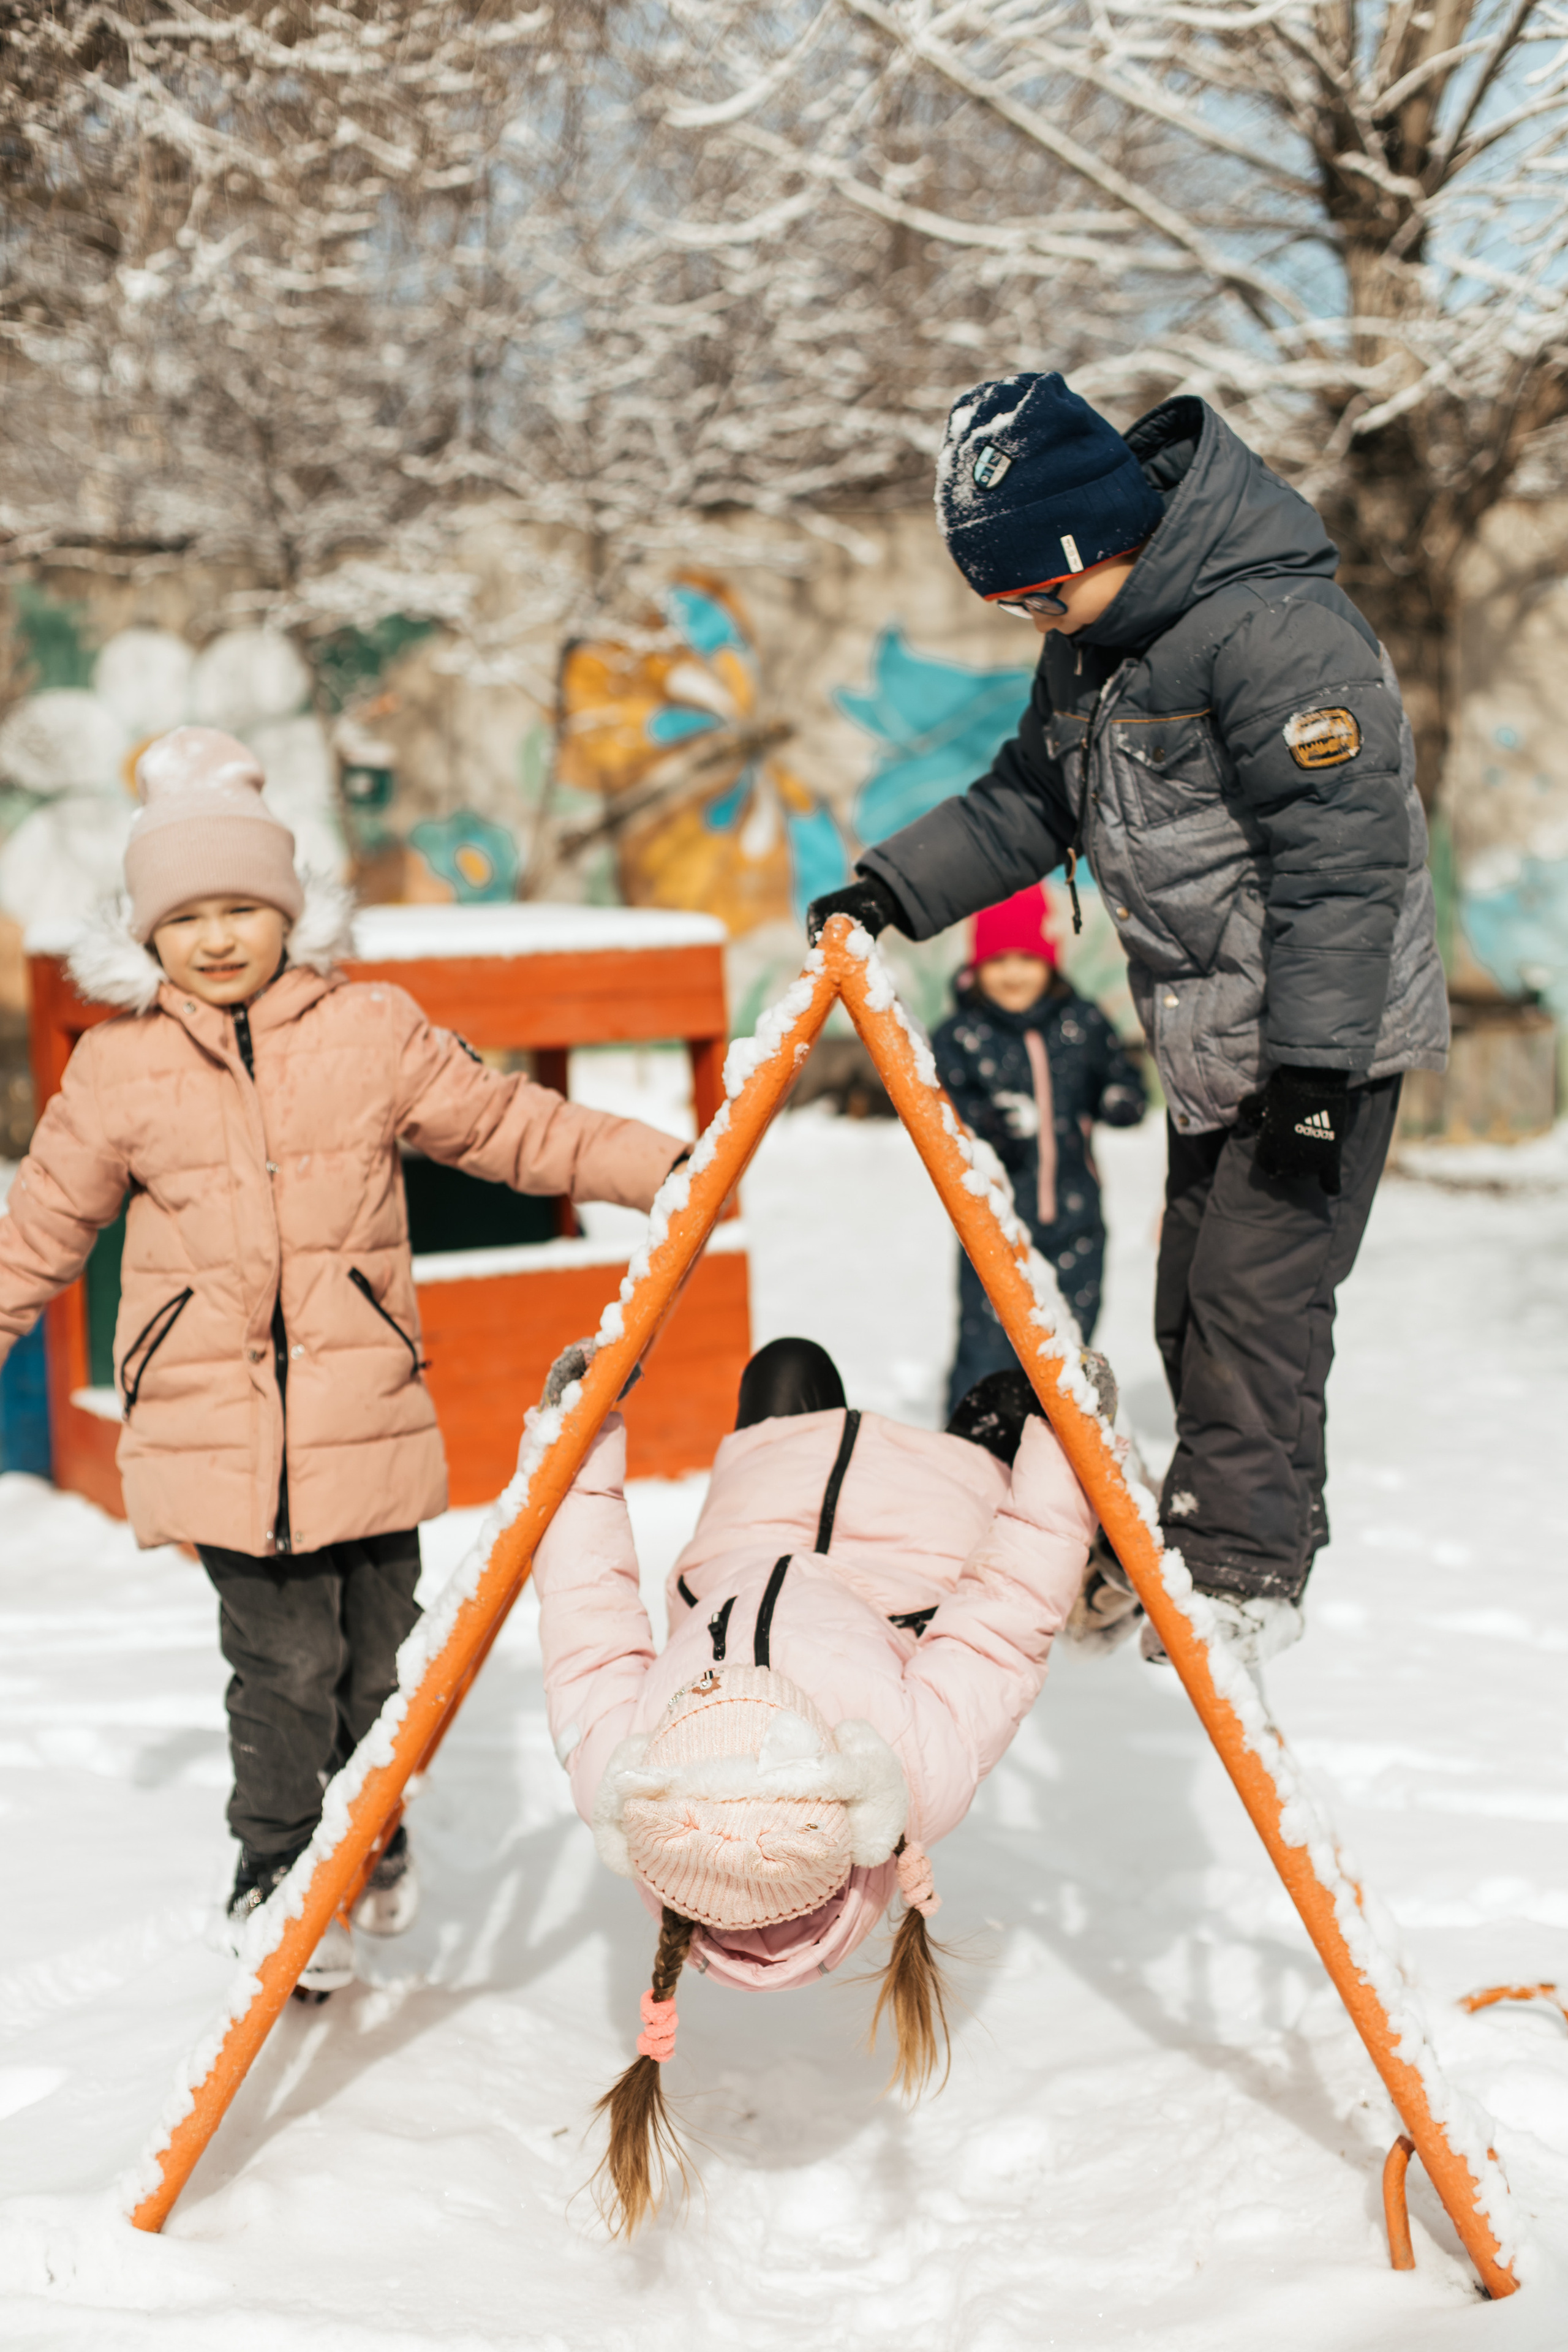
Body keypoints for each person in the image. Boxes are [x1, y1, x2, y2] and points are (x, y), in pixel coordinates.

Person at [0, 726, 690, 1994]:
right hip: (215, 1431)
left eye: (243, 908)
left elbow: (503, 1124)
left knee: (383, 1667)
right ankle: (273, 1872)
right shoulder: (121, 1065)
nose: (217, 938)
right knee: (283, 1667)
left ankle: (367, 1834)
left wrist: (656, 1167)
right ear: (146, 934)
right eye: (188, 914)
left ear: (290, 912)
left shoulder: (369, 1030)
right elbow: (41, 1223)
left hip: (361, 1412)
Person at [808, 372, 1447, 1662]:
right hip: (1216, 1039)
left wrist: (1315, 1074)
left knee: (1255, 1301)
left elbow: (1343, 865)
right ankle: (1211, 1528)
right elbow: (1024, 804)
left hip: (1316, 1041)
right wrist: (890, 889)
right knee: (1187, 1306)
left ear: (1104, 536)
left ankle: (1242, 1566)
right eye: (1005, 607)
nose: (1028, 619)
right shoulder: (1095, 653)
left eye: (1038, 592)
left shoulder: (1277, 633)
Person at [530, 1335, 1096, 2233]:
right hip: (914, 1560)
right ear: (829, 1784)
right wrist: (1067, 1459)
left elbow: (585, 1611)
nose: (726, 1692)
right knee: (1005, 1400)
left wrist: (580, 1440)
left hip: (752, 1535)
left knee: (785, 1367)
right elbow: (1002, 1622)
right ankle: (1061, 1517)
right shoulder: (909, 1773)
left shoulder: (626, 1777)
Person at [933, 881, 1144, 1408]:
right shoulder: (960, 1035)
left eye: (1026, 958)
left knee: (1067, 1355)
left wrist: (1121, 1096)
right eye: (997, 959)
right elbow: (939, 1112)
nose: (1011, 973)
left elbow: (1121, 1077)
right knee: (987, 1352)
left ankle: (1056, 1455)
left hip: (1077, 1224)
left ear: (1049, 959)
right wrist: (986, 1121)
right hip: (995, 1225)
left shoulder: (1083, 1023)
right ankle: (972, 1452)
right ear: (976, 964)